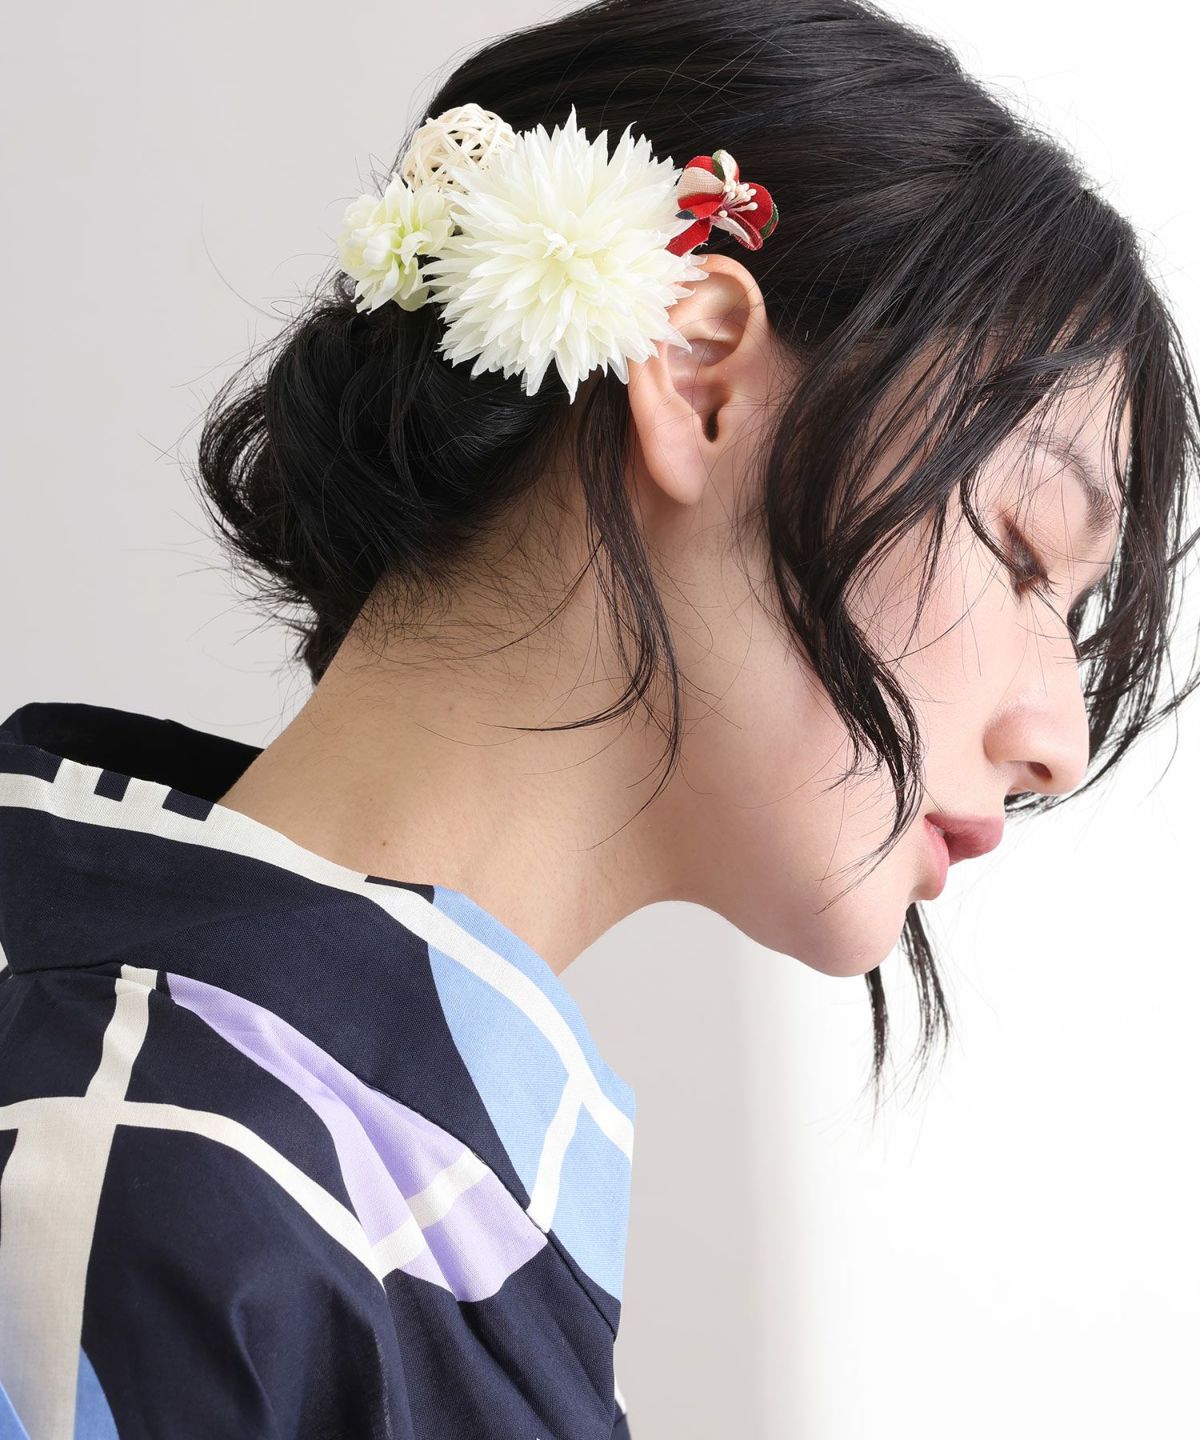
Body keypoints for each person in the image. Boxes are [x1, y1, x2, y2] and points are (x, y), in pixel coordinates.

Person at [1, 0, 1197, 1435]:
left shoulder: (302, 1166)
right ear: (697, 378)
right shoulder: (142, 1170)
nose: (1061, 736)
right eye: (1023, 550)